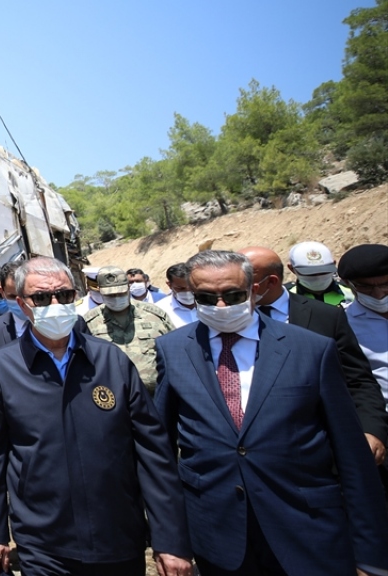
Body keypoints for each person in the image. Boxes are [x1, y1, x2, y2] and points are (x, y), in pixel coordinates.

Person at [154, 250, 388, 575]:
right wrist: (169, 538)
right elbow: (160, 451)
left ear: (255, 290)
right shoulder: (173, 349)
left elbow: (351, 455)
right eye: (207, 297)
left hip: (307, 528)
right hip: (219, 535)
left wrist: (370, 554)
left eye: (232, 294)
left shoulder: (311, 349)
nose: (220, 306)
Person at [0, 257, 193, 576]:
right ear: (22, 304)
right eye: (41, 298)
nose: (55, 304)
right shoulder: (1, 368)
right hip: (44, 541)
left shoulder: (110, 360)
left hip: (118, 533)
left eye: (63, 295)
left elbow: (153, 454)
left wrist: (170, 538)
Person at [238, 246, 387, 467]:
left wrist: (372, 429)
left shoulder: (327, 317)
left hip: (324, 447)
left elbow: (357, 380)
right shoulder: (226, 323)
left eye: (244, 282)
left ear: (271, 281)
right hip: (258, 449)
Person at [338, 243, 388, 499]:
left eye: (385, 284)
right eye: (367, 287)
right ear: (348, 283)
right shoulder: (342, 324)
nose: (379, 294)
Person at [83, 266, 176, 393]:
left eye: (121, 293)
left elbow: (175, 351)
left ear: (128, 288)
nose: (116, 298)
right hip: (115, 399)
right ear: (100, 292)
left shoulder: (155, 315)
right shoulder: (89, 322)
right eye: (110, 295)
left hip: (157, 396)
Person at [286, 240, 354, 306]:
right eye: (310, 272)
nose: (318, 277)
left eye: (323, 271)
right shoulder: (285, 298)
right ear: (292, 269)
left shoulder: (353, 292)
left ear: (334, 264)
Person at [158, 262, 198, 327]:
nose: (188, 292)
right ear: (169, 285)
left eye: (191, 287)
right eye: (181, 288)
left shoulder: (211, 303)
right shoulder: (160, 310)